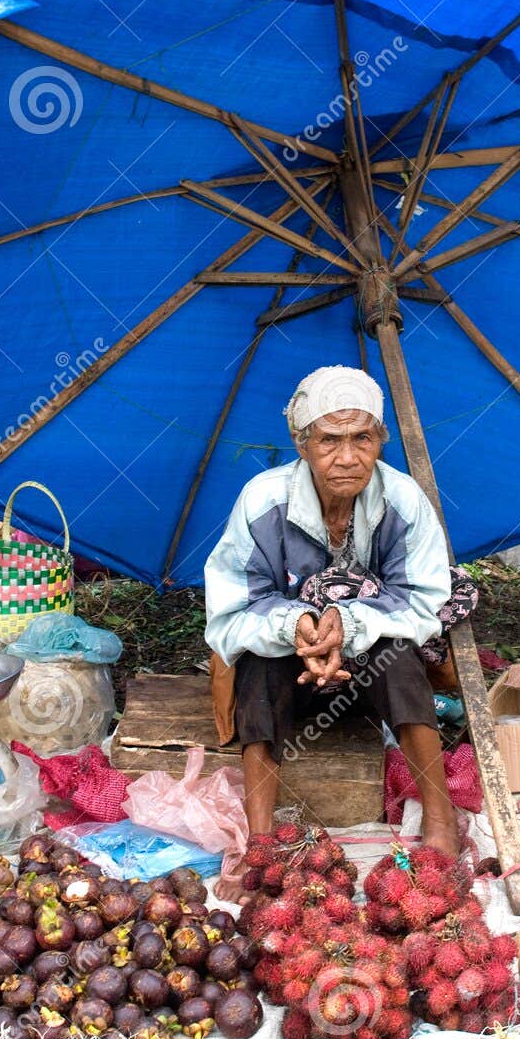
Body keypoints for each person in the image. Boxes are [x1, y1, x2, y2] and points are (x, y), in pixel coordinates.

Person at [204, 365, 458, 854]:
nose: (347, 457)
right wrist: (297, 626)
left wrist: (350, 623)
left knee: (400, 657)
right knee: (256, 669)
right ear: (302, 444)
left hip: (368, 674)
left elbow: (424, 599)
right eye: (329, 440)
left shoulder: (403, 500)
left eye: (362, 438)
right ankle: (259, 841)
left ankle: (441, 821)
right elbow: (232, 610)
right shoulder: (263, 501)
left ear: (381, 440)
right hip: (291, 670)